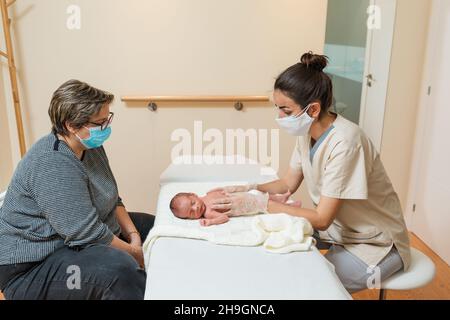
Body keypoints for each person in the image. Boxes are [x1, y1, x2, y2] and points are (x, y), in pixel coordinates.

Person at [209, 52, 411, 293]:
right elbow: (287, 184)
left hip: (377, 243)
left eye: (285, 110)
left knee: (307, 286)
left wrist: (260, 203)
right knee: (270, 251)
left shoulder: (346, 142)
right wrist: (249, 187)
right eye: (277, 108)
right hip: (341, 231)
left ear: (313, 109)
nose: (279, 117)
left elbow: (322, 218)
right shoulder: (307, 134)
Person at [0, 80, 155, 300]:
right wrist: (135, 254)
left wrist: (134, 235)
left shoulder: (90, 146)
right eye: (99, 123)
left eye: (107, 120)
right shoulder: (52, 163)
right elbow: (87, 233)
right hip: (32, 267)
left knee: (157, 230)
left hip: (74, 239)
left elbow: (113, 199)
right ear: (71, 125)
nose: (106, 128)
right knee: (120, 272)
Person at [170, 190, 301, 226]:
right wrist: (211, 221)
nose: (196, 208)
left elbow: (220, 191)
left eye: (193, 203)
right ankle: (289, 207)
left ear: (193, 195)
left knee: (258, 193)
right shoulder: (208, 213)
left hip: (240, 195)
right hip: (245, 205)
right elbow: (224, 217)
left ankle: (281, 198)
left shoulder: (207, 195)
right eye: (191, 213)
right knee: (263, 204)